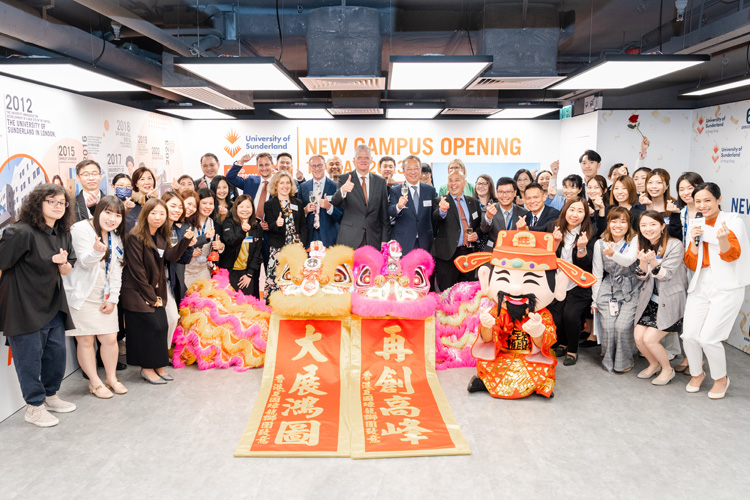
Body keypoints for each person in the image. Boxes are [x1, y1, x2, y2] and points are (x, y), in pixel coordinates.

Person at [0, 183, 77, 427]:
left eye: (61, 203)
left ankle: (50, 395)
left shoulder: (63, 232)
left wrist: (62, 264)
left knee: (56, 355)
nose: (57, 206)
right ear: (37, 203)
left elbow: (67, 268)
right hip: (23, 305)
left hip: (53, 303)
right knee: (29, 359)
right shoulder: (20, 232)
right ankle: (34, 407)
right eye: (51, 201)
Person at [682, 183, 750, 399]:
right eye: (698, 201)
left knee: (709, 338)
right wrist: (693, 241)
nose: (702, 205)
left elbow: (733, 255)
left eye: (707, 200)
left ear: (719, 199)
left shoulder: (733, 221)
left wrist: (720, 238)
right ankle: (697, 373)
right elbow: (691, 262)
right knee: (690, 335)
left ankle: (721, 379)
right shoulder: (696, 222)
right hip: (702, 282)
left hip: (727, 285)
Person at [121, 198, 193, 384]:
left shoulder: (160, 236)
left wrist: (185, 241)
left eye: (162, 214)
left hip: (154, 292)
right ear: (145, 214)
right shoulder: (135, 237)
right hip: (137, 293)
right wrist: (151, 297)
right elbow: (137, 272)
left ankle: (158, 365)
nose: (158, 217)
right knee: (148, 328)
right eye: (153, 213)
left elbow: (170, 256)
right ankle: (146, 368)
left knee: (161, 326)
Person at [63, 196, 128, 398]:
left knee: (110, 339)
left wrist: (113, 299)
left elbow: (117, 269)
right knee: (86, 341)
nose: (112, 219)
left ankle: (111, 378)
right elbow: (83, 262)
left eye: (117, 215)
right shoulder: (80, 229)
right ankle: (95, 382)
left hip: (105, 295)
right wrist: (96, 252)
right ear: (98, 211)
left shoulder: (115, 236)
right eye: (108, 212)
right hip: (83, 295)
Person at [632, 210, 687, 386]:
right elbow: (642, 276)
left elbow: (667, 275)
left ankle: (667, 369)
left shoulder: (675, 245)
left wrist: (653, 263)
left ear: (663, 226)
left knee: (650, 339)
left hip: (669, 301)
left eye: (653, 224)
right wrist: (643, 261)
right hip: (651, 300)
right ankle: (654, 365)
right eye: (644, 225)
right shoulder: (645, 245)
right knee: (638, 337)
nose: (648, 229)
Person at [547, 197, 595, 366]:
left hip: (578, 283)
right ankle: (562, 343)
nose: (575, 214)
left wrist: (582, 249)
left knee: (571, 315)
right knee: (557, 316)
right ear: (565, 210)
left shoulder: (591, 233)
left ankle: (573, 350)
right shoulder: (553, 227)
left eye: (580, 211)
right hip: (558, 281)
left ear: (586, 214)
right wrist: (555, 243)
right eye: (572, 210)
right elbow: (546, 259)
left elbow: (587, 265)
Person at [591, 207, 640, 373]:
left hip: (632, 287)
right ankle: (608, 357)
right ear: (608, 223)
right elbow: (597, 275)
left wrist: (612, 254)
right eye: (614, 221)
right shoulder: (600, 243)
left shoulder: (634, 239)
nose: (618, 225)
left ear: (628, 224)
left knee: (622, 325)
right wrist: (594, 301)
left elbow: (628, 261)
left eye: (623, 221)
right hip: (609, 287)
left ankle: (624, 361)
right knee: (609, 326)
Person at [331, 144, 390, 249]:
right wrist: (342, 190)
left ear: (371, 160)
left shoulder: (380, 182)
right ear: (354, 160)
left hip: (374, 239)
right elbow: (335, 202)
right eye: (360, 157)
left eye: (366, 157)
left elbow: (384, 215)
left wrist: (384, 240)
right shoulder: (345, 178)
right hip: (349, 238)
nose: (363, 160)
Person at [432, 170, 481, 291]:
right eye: (450, 180)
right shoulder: (440, 201)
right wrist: (442, 210)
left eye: (457, 180)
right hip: (447, 256)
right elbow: (435, 217)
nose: (453, 183)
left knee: (468, 292)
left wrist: (477, 235)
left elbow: (478, 226)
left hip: (469, 254)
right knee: (446, 293)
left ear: (464, 183)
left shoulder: (473, 202)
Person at [264, 171, 306, 298]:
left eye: (288, 182)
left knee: (295, 279)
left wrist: (302, 241)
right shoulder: (270, 204)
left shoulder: (297, 202)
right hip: (278, 249)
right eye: (281, 183)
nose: (285, 185)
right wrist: (277, 224)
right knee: (276, 279)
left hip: (295, 248)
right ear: (276, 186)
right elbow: (269, 226)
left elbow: (303, 225)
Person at [162, 192, 196, 344]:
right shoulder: (157, 228)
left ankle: (163, 352)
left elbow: (183, 259)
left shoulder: (177, 229)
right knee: (165, 319)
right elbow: (167, 255)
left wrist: (188, 245)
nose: (177, 210)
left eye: (180, 207)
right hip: (156, 280)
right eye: (173, 206)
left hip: (171, 279)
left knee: (173, 317)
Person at [389, 155, 437, 254]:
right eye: (409, 169)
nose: (413, 172)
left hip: (426, 242)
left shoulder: (430, 190)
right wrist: (399, 206)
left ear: (420, 170)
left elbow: (435, 215)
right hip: (403, 242)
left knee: (425, 269)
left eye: (416, 168)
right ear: (403, 171)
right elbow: (390, 210)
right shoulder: (395, 190)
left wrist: (442, 211)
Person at [219, 194, 264, 296]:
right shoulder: (228, 223)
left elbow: (257, 252)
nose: (245, 210)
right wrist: (243, 231)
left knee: (249, 306)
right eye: (241, 207)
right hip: (229, 272)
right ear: (236, 208)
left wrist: (249, 274)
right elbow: (231, 241)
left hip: (247, 273)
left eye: (248, 207)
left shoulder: (257, 227)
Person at [298, 155, 343, 247]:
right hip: (308, 237)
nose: (317, 168)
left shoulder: (336, 187)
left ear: (325, 166)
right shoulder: (303, 187)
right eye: (313, 166)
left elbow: (342, 216)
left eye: (319, 165)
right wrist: (305, 210)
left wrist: (329, 207)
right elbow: (297, 216)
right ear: (310, 168)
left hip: (329, 237)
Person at [481, 177, 530, 251]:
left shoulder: (524, 213)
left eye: (508, 192)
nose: (504, 195)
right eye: (501, 192)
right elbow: (484, 230)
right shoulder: (488, 210)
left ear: (515, 193)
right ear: (496, 193)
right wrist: (488, 217)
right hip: (493, 251)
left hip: (516, 252)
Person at [184, 188, 219, 289]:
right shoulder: (187, 221)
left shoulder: (212, 222)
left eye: (211, 203)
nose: (208, 207)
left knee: (205, 300)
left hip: (204, 269)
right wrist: (190, 250)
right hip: (187, 270)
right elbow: (180, 245)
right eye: (204, 203)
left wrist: (220, 246)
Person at [668, 172, 704, 245]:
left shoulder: (709, 212)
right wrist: (675, 214)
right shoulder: (680, 213)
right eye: (681, 190)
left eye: (690, 188)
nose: (686, 192)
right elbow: (675, 239)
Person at [125, 166, 158, 232]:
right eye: (142, 179)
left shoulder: (157, 203)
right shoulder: (130, 203)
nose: (147, 182)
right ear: (136, 184)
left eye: (149, 178)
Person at [473, 174, 497, 249]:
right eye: (479, 183)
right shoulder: (470, 203)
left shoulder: (497, 203)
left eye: (484, 184)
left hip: (494, 244)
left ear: (490, 186)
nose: (481, 186)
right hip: (474, 245)